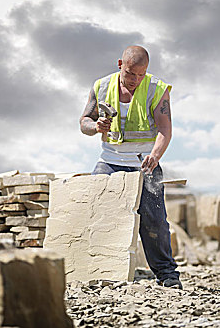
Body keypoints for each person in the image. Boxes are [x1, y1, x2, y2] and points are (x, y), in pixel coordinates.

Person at [79, 45, 182, 289]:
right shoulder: (101, 86)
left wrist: (155, 156)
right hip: (110, 161)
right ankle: (96, 271)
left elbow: (165, 130)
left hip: (145, 162)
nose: (136, 79)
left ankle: (167, 275)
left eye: (141, 74)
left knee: (154, 221)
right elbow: (84, 122)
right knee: (97, 213)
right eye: (130, 73)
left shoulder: (157, 89)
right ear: (120, 65)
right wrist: (96, 128)